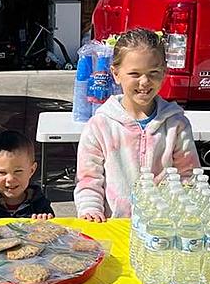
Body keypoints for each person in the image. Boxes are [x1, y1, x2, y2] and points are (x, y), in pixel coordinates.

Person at [74, 28, 200, 221]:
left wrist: (186, 216)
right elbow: (89, 180)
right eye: (134, 73)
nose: (144, 81)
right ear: (115, 74)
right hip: (115, 227)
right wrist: (90, 211)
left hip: (163, 230)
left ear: (164, 73)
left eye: (153, 72)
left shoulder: (176, 124)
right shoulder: (99, 126)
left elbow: (188, 177)